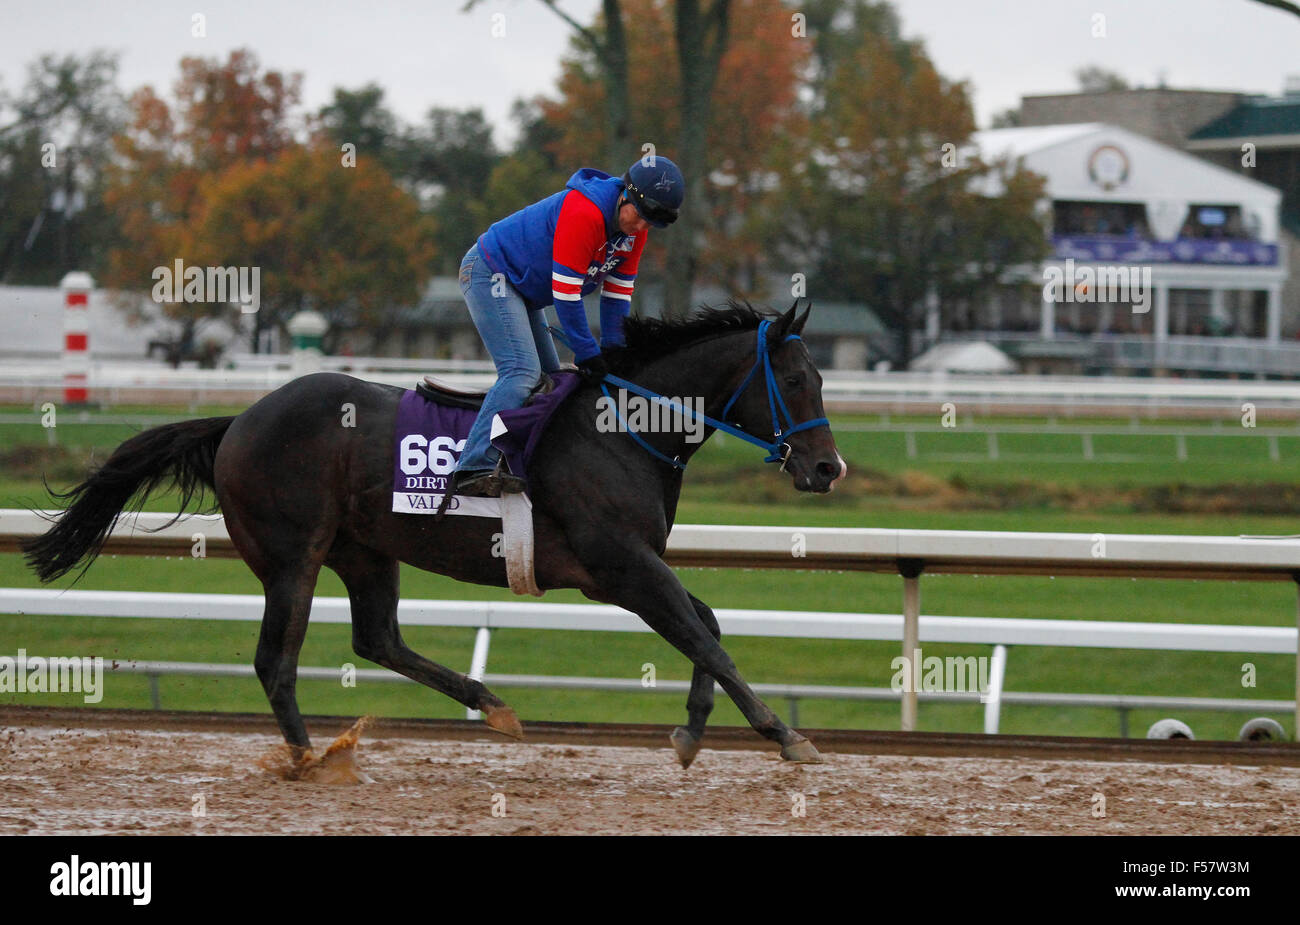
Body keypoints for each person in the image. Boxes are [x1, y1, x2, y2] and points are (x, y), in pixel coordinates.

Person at [449, 156, 685, 497]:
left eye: (651, 224)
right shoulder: (585, 212)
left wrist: (614, 349)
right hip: (491, 274)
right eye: (640, 216)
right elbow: (566, 293)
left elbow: (617, 295)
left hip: (523, 290)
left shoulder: (634, 233)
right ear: (625, 195)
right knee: (521, 372)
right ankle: (473, 466)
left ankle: (522, 461)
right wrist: (588, 352)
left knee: (551, 380)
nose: (641, 228)